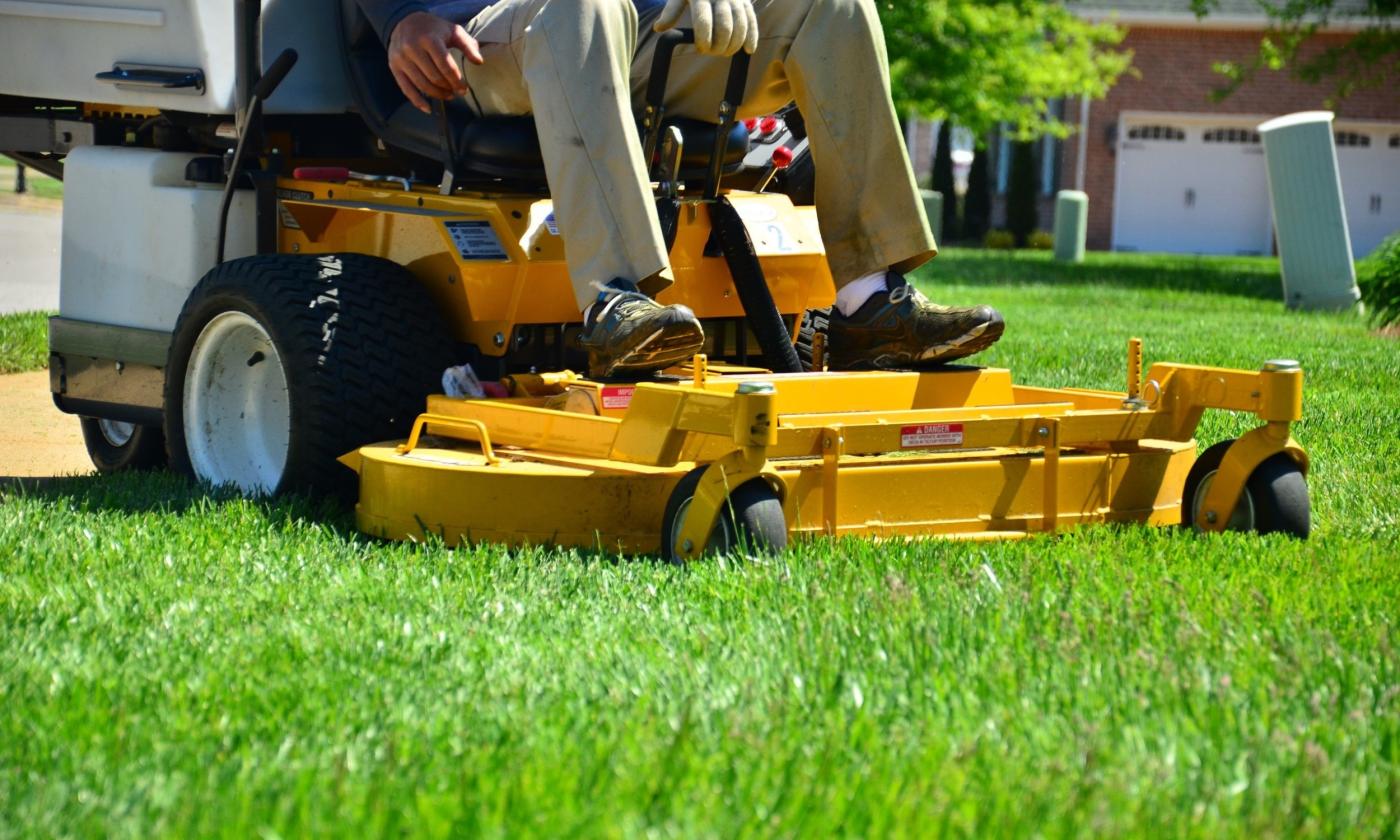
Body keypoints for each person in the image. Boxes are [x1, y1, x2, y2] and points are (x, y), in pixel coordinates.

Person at [356, 0, 1004, 376]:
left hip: (632, 31)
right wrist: (399, 19)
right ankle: (617, 301)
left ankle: (870, 304)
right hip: (478, 40)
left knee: (831, 6)